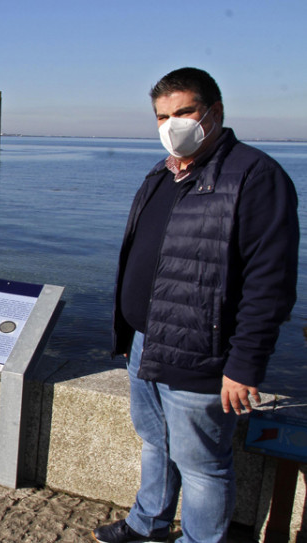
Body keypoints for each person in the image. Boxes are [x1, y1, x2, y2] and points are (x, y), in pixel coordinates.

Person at [93, 67, 300, 543]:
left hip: (202, 354)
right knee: (155, 444)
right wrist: (128, 335)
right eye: (162, 116)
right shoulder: (161, 174)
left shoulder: (254, 176)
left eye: (183, 112)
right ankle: (149, 524)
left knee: (203, 464)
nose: (172, 124)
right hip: (146, 342)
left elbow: (269, 284)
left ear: (214, 112)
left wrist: (245, 363)